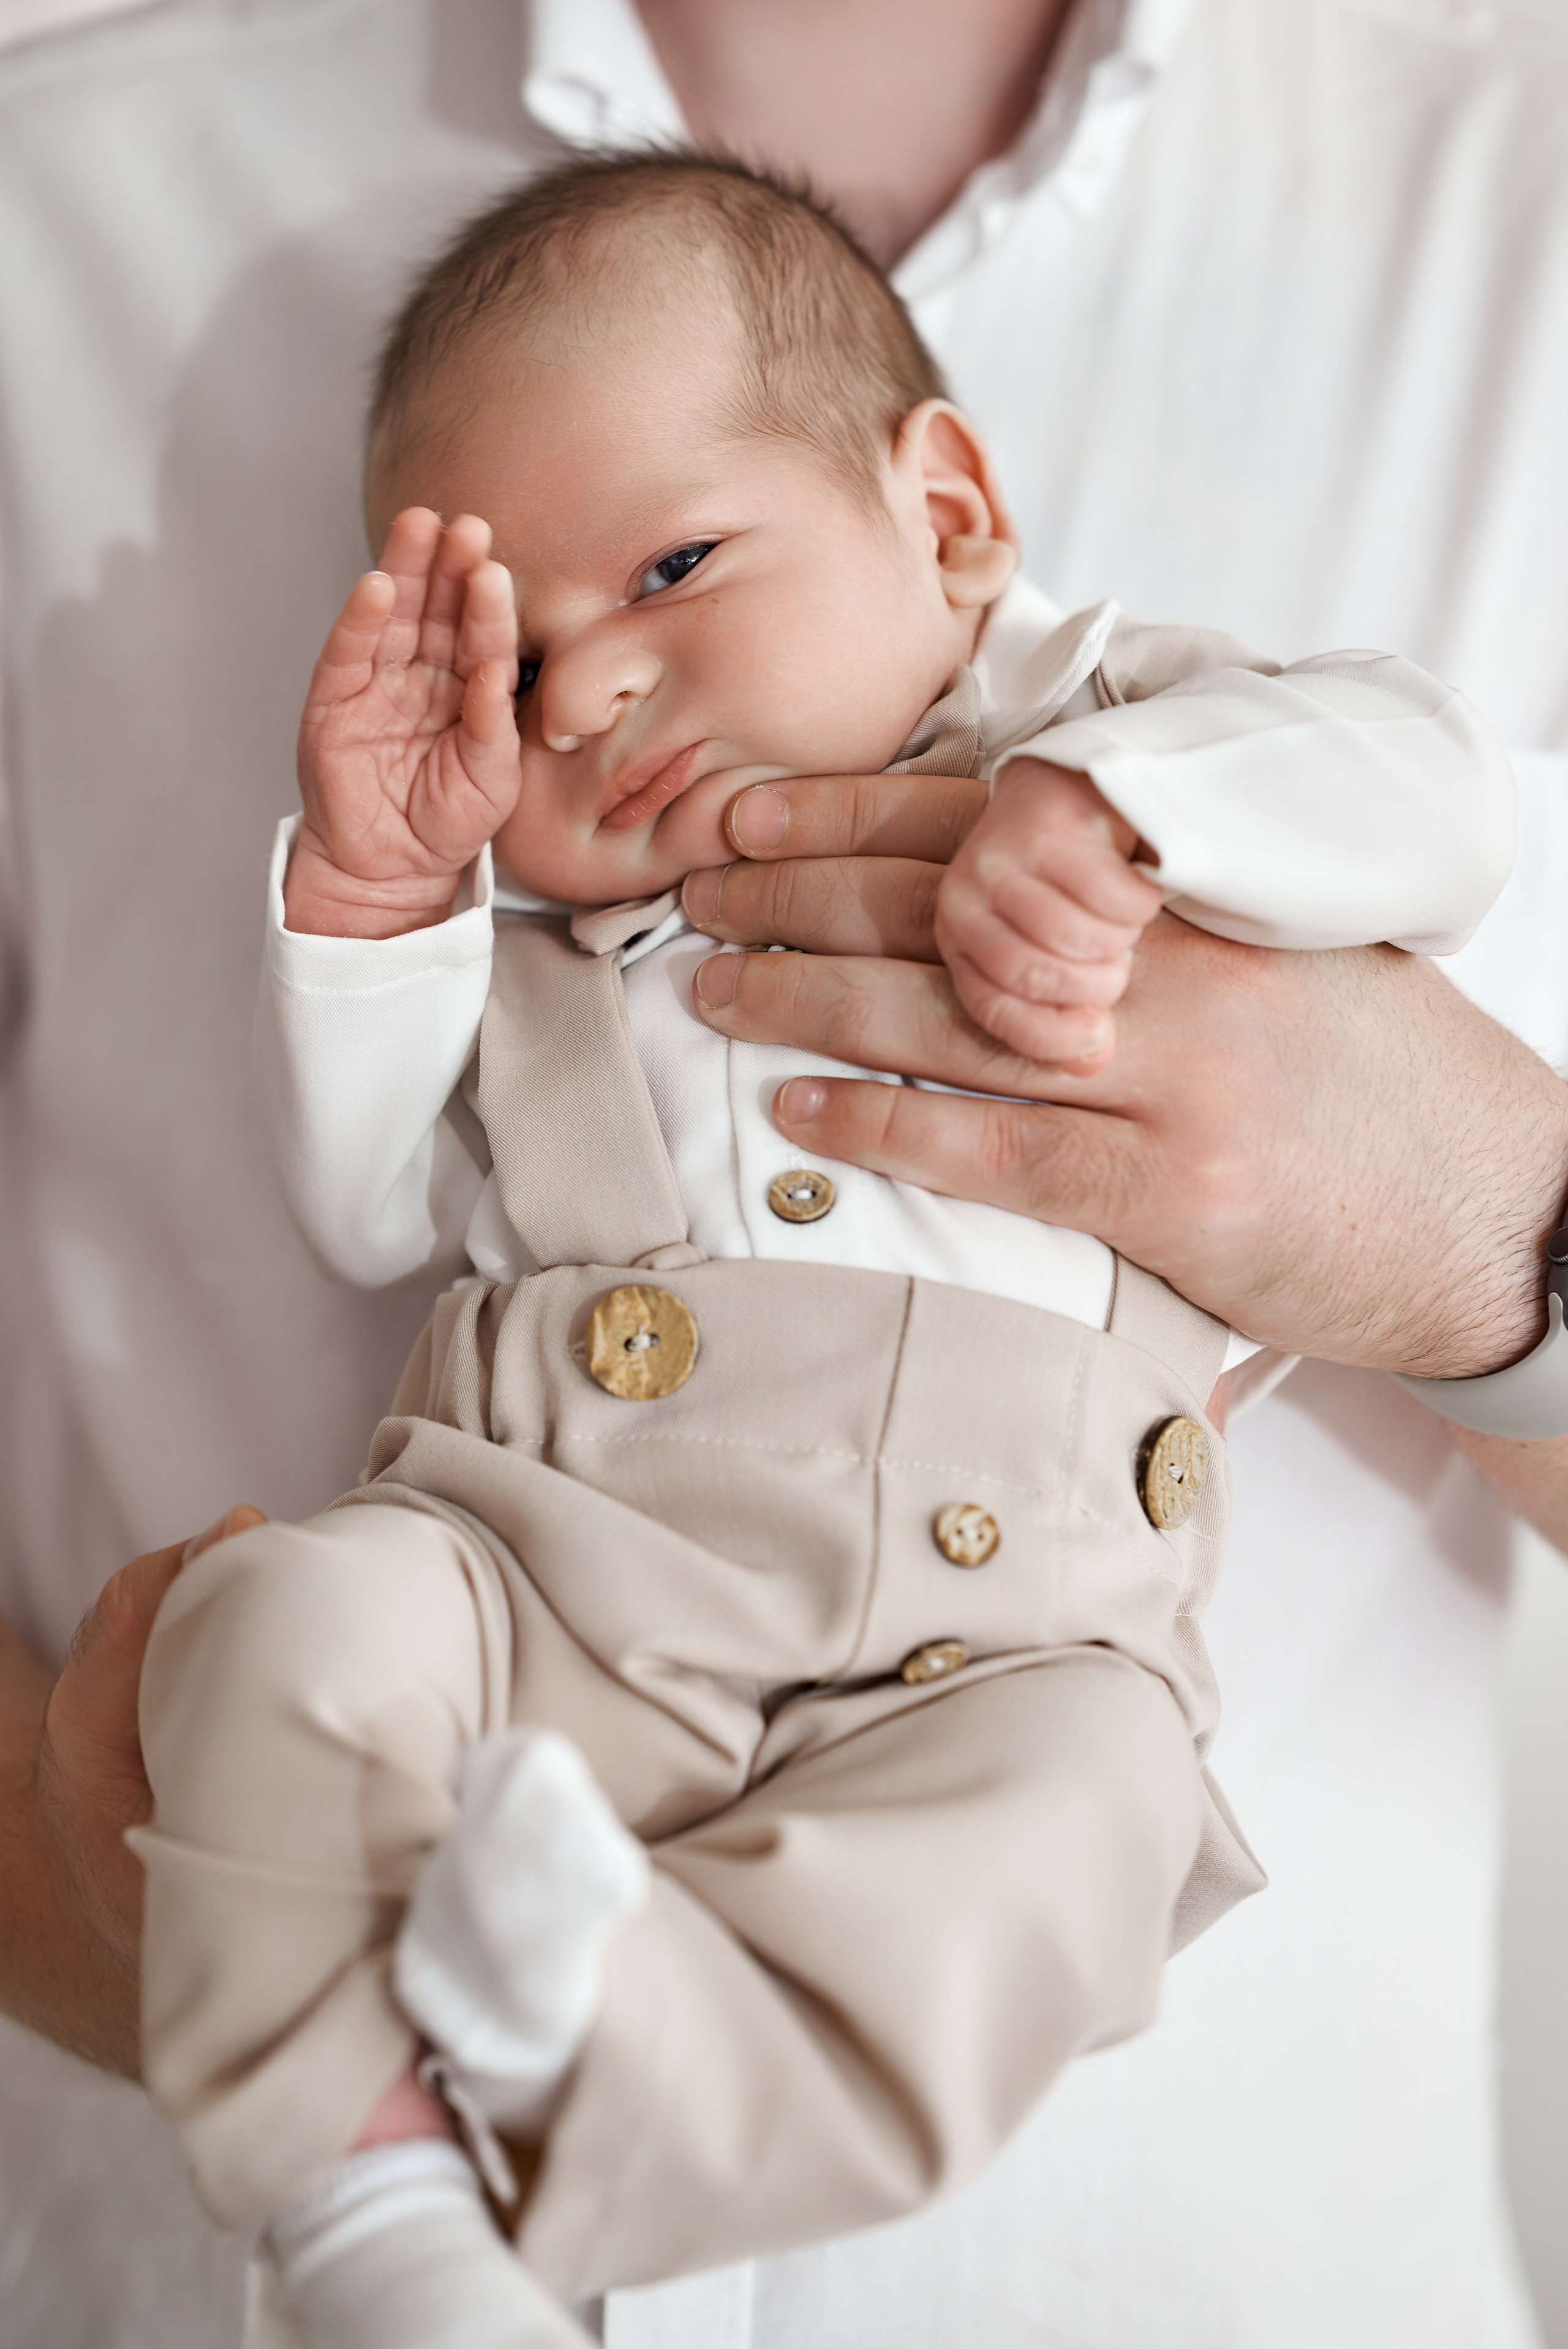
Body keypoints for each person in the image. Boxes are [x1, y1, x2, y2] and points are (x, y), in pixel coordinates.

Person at [3, 4, 1568, 2346]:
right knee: (285, 1633)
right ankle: (376, 2203)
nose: (590, 696)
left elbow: (1420, 789)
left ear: (946, 520)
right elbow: (356, 1210)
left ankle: (570, 2073)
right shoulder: (46, 204)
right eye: (516, 665)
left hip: (1017, 1645)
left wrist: (1189, 869)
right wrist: (368, 906)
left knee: (1061, 1841)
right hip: (534, 1585)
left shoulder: (1142, 680)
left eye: (669, 569)